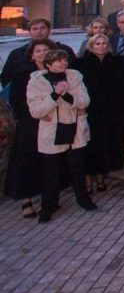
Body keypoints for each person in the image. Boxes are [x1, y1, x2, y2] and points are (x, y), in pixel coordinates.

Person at [27, 49, 97, 223]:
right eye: (59, 61)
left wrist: (66, 96)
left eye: (65, 60)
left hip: (74, 128)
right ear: (49, 64)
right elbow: (36, 111)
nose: (63, 63)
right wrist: (54, 95)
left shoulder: (75, 77)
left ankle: (83, 199)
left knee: (78, 168)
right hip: (52, 131)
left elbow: (85, 101)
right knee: (51, 172)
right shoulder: (37, 81)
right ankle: (48, 207)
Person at [4, 38, 51, 218]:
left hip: (50, 121)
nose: (42, 54)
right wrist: (34, 113)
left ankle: (48, 197)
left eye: (46, 50)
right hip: (29, 122)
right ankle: (26, 200)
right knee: (26, 160)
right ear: (32, 55)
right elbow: (16, 99)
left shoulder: (56, 71)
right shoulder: (23, 73)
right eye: (38, 51)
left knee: (47, 161)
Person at [77, 33, 124, 191]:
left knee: (105, 144)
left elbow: (123, 86)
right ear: (91, 46)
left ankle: (101, 177)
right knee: (88, 145)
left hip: (110, 112)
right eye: (97, 44)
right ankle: (87, 180)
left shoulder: (116, 62)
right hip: (89, 111)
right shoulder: (81, 63)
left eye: (103, 43)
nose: (101, 46)